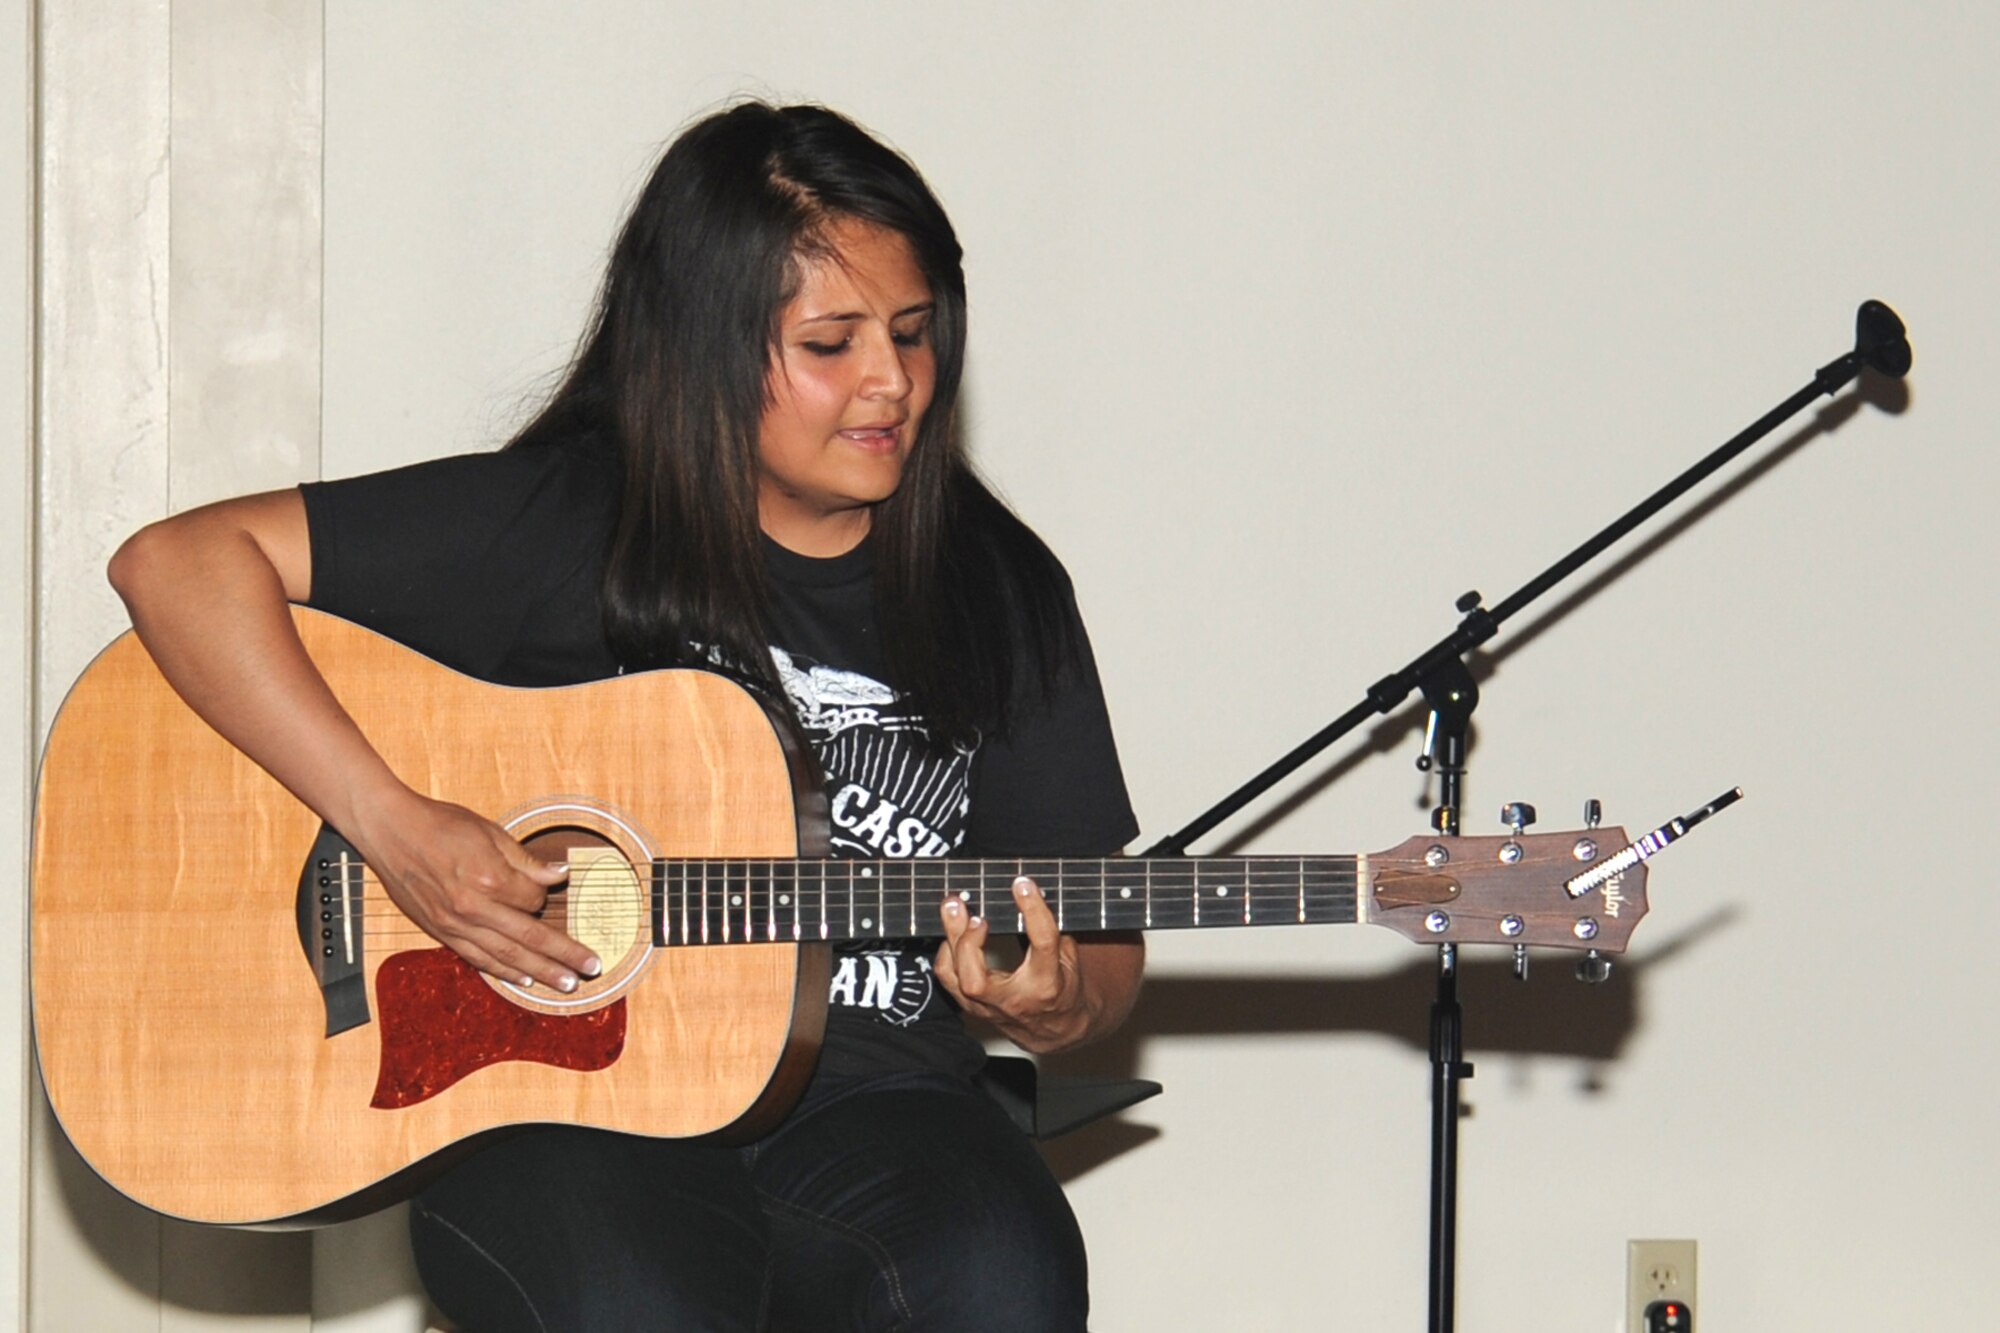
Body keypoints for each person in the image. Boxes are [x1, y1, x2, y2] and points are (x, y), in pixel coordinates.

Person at [108, 101, 1143, 1331]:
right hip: (555, 1109)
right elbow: (177, 565)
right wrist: (394, 826)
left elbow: (1101, 945)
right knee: (633, 1301)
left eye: (913, 334)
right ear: (703, 350)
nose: (891, 383)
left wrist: (1064, 1002)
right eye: (830, 342)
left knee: (1004, 1272)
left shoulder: (998, 588)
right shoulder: (567, 521)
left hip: (872, 1102)